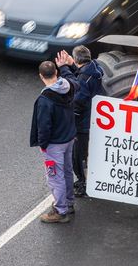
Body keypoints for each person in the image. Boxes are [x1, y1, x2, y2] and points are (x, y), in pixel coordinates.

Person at [30, 56, 77, 223]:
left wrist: (43, 145)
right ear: (56, 73)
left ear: (41, 76)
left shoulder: (45, 100)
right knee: (67, 171)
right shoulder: (68, 87)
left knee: (55, 177)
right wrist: (65, 67)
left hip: (54, 144)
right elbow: (73, 78)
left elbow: (44, 126)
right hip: (69, 137)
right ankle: (69, 202)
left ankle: (60, 210)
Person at [57, 46, 105, 197]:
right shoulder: (94, 69)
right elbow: (80, 76)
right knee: (83, 154)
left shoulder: (84, 79)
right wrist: (71, 65)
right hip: (92, 120)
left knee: (78, 157)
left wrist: (64, 68)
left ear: (77, 59)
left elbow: (77, 97)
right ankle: (84, 181)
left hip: (82, 125)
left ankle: (83, 184)